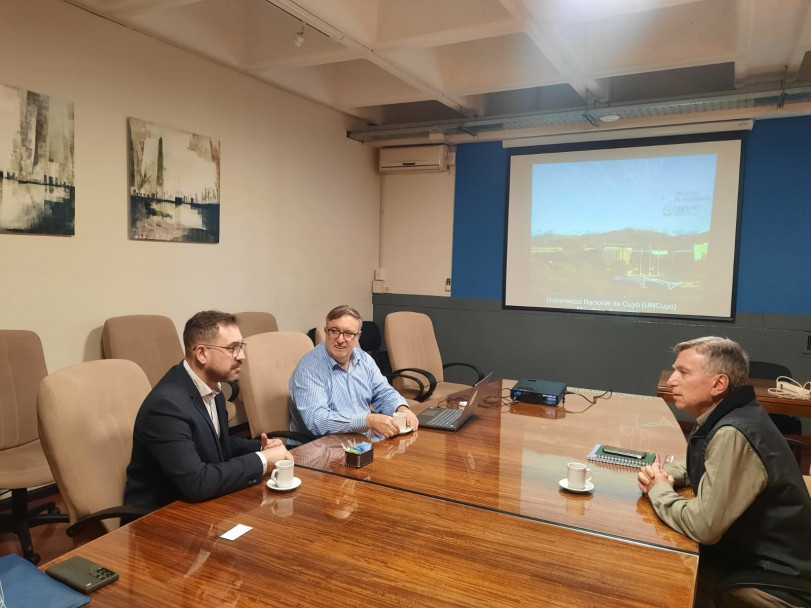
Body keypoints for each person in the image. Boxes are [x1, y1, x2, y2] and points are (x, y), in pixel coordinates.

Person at [638, 337, 811, 608]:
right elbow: (710, 460)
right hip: (753, 560)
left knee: (658, 581)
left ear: (719, 384)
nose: (671, 380)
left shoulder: (733, 431)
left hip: (776, 581)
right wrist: (663, 473)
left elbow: (703, 527)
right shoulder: (729, 413)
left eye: (683, 372)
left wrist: (659, 490)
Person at [124, 310, 292, 509]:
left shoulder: (213, 386)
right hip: (158, 520)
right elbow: (197, 483)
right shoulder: (166, 406)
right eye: (233, 348)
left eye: (241, 347)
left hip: (197, 509)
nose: (242, 356)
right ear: (202, 353)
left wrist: (261, 449)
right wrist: (262, 460)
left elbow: (216, 443)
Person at [289, 305, 418, 440]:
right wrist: (368, 421)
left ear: (358, 336)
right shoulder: (309, 368)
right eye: (334, 331)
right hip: (325, 447)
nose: (340, 339)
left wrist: (401, 409)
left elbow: (383, 392)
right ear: (326, 332)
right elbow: (317, 420)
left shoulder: (364, 359)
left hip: (363, 440)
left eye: (348, 333)